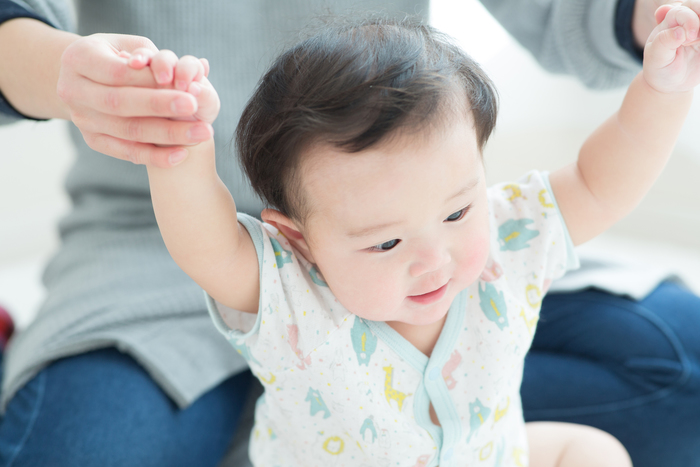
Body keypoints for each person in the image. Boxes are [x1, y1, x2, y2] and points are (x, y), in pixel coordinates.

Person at [0, 0, 698, 466]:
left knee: (593, 450)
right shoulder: (293, 295)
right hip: (133, 258)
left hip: (486, 450)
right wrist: (177, 145)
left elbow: (604, 177)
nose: (434, 258)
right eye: (385, 243)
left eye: (457, 210)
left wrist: (663, 88)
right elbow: (209, 243)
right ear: (297, 242)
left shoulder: (507, 243)